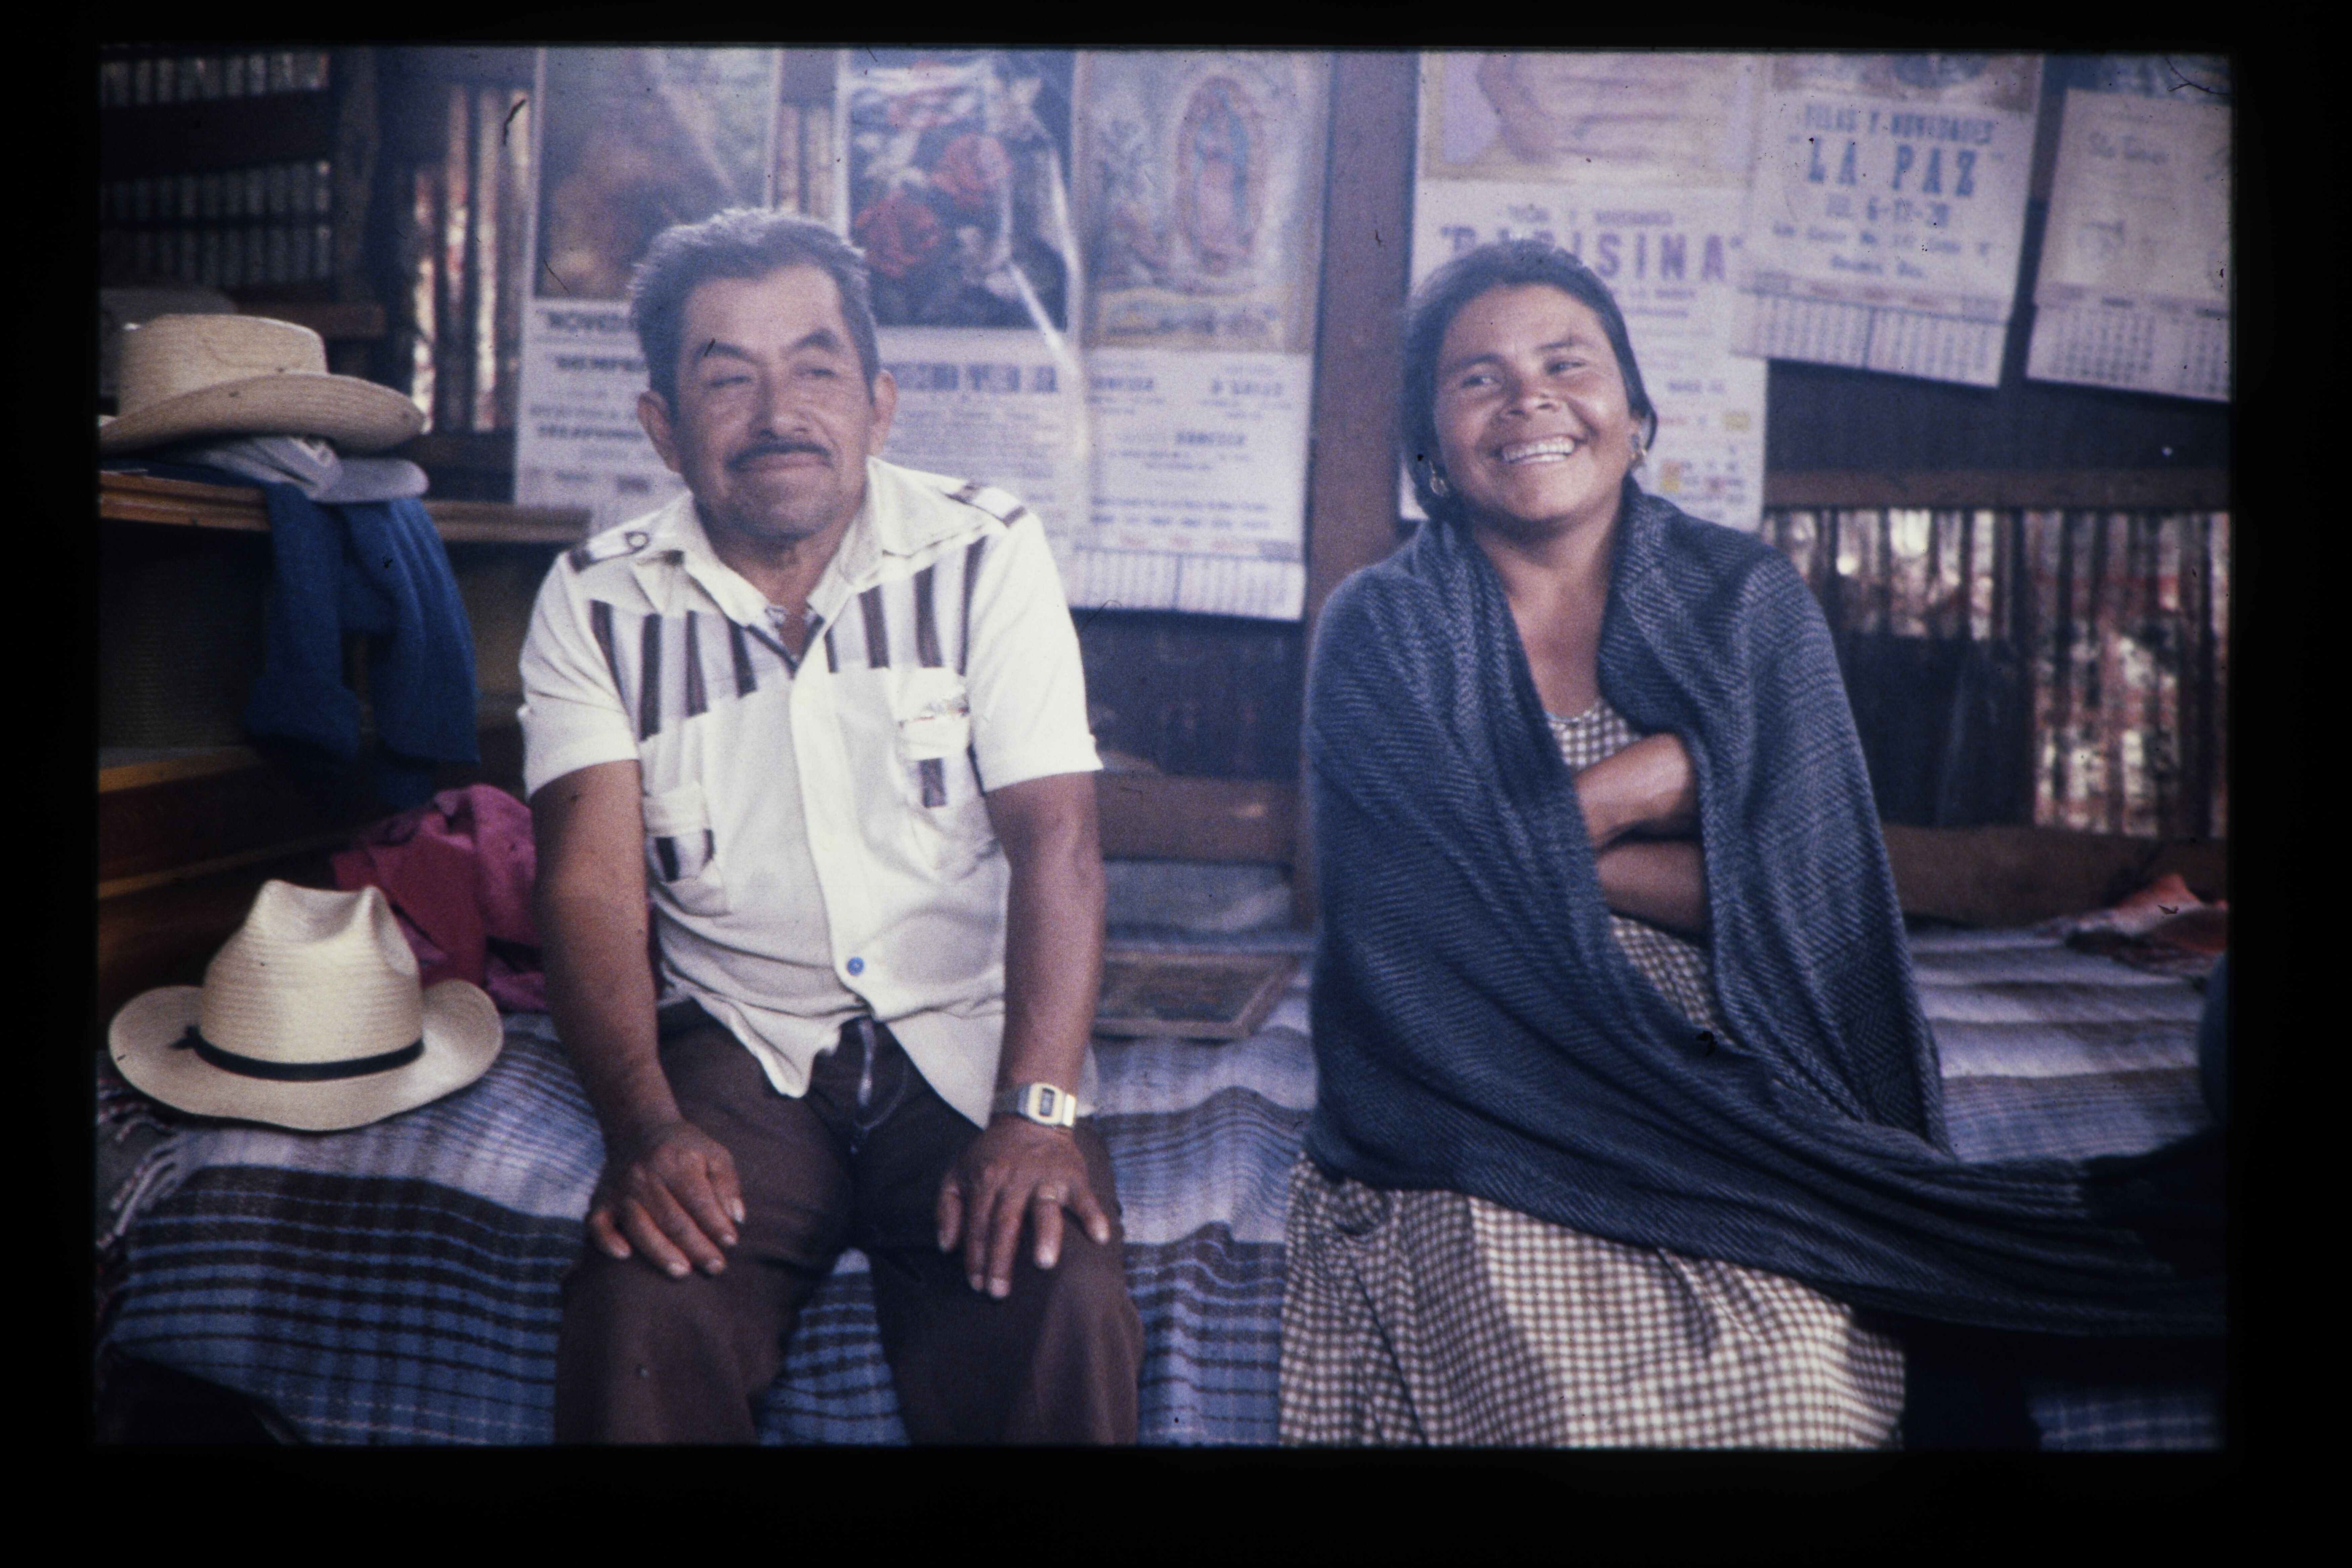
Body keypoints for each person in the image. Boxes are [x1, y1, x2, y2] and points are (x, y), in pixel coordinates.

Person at [1280, 240, 2221, 1448]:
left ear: (1636, 416)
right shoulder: (1381, 626)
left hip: (1734, 1044)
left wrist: (1509, 848)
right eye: (1478, 379)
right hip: (1486, 1068)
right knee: (1559, 1392)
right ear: (1431, 451)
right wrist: (1642, 790)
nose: (1528, 399)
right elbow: (1397, 922)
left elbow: (1811, 900)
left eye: (1566, 364)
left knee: (1799, 1392)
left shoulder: (1745, 603)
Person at [522, 208, 1141, 1443]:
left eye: (816, 370)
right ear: (662, 424)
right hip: (742, 1046)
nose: (780, 413)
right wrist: (645, 1124)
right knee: (642, 1301)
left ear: (878, 404)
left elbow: (1058, 843)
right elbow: (589, 890)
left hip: (966, 1035)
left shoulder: (984, 552)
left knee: (1062, 1292)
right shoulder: (596, 601)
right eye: (728, 379)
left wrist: (1035, 1112)